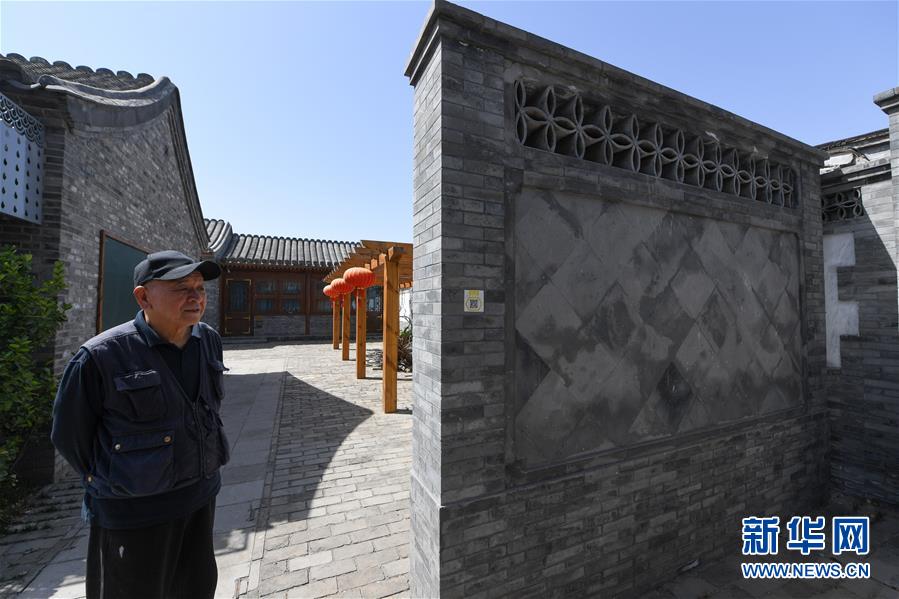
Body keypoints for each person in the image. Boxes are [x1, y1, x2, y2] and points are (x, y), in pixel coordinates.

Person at [51, 250, 230, 599]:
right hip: (134, 513)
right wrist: (121, 477)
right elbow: (70, 436)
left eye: (199, 288)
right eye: (181, 288)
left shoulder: (208, 340)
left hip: (200, 498)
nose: (195, 297)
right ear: (144, 297)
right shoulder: (101, 356)